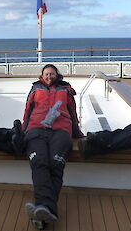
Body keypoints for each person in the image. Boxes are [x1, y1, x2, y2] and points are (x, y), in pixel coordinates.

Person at [22, 64, 83, 225]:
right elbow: (27, 111)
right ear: (42, 76)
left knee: (56, 164)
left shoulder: (65, 90)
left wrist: (78, 133)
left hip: (61, 131)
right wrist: (23, 131)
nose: (49, 76)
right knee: (39, 162)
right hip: (36, 130)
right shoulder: (35, 89)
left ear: (57, 75)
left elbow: (72, 112)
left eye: (52, 73)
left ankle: (42, 210)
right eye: (46, 74)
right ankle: (47, 209)